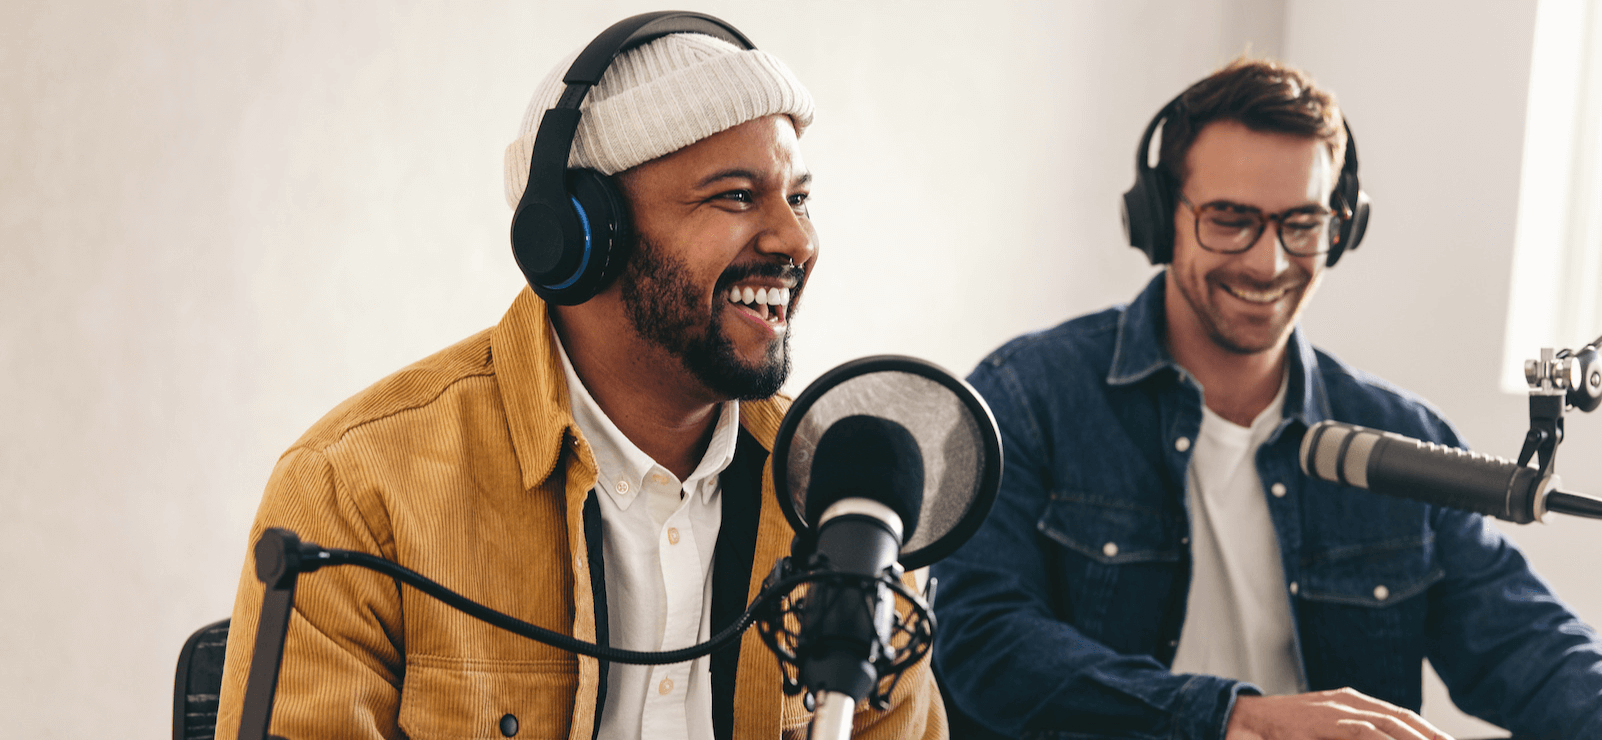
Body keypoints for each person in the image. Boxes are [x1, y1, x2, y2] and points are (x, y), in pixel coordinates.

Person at [214, 15, 944, 740]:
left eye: (800, 198)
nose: (797, 239)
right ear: (580, 237)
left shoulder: (848, 510)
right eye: (737, 196)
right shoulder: (357, 492)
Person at [931, 58, 1602, 739]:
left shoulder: (1399, 436)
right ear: (1160, 217)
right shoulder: (1025, 395)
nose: (1269, 262)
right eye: (1230, 219)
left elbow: (1533, 648)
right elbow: (983, 642)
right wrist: (1234, 721)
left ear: (1342, 228)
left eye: (1302, 223)